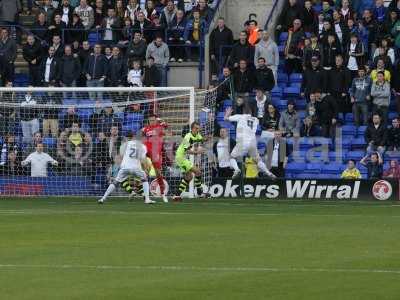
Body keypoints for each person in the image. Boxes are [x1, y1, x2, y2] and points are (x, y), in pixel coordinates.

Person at [98, 132, 155, 204]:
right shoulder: (143, 146)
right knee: (145, 180)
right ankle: (147, 199)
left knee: (115, 182)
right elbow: (143, 160)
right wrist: (146, 169)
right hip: (136, 168)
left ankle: (103, 198)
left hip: (125, 167)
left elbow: (121, 154)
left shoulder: (127, 143)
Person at [224, 106, 276, 179]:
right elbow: (260, 128)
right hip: (252, 142)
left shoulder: (240, 116)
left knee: (232, 157)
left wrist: (227, 113)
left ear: (243, 112)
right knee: (258, 160)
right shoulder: (255, 119)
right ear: (251, 113)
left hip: (243, 141)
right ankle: (268, 172)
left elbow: (225, 119)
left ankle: (236, 170)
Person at [172, 122, 210, 201]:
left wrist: (206, 138)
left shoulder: (198, 134)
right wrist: (197, 152)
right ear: (192, 129)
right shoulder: (187, 137)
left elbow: (201, 139)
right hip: (180, 157)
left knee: (189, 177)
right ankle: (200, 193)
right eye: (196, 128)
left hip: (183, 157)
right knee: (198, 172)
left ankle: (176, 195)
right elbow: (187, 151)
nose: (197, 130)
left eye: (198, 128)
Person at [142, 115, 169, 202]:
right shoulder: (146, 129)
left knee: (158, 173)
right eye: (150, 120)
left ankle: (163, 193)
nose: (152, 122)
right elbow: (142, 135)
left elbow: (166, 125)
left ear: (156, 120)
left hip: (155, 152)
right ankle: (141, 192)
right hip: (146, 151)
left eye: (153, 120)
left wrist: (160, 120)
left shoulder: (160, 127)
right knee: (142, 170)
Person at [350, 67, 371, 131]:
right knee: (356, 120)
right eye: (359, 71)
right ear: (358, 72)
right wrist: (351, 97)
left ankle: (365, 136)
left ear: (365, 72)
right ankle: (356, 135)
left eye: (362, 71)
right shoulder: (354, 79)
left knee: (365, 120)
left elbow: (372, 89)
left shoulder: (369, 79)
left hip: (365, 103)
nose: (361, 72)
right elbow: (352, 90)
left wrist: (369, 95)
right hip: (355, 103)